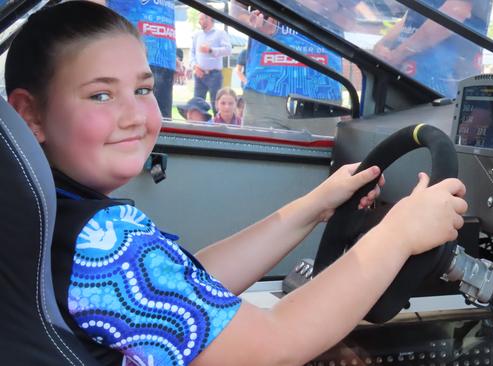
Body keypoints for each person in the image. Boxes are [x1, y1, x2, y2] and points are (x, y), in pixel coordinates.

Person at [5, 2, 467, 365]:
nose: (134, 116)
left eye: (143, 90)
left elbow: (188, 281)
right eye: (101, 95)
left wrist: (314, 206)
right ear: (30, 114)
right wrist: (399, 233)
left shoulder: (58, 211)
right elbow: (274, 345)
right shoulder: (105, 245)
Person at [231, 1, 347, 136]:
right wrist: (250, 21)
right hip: (264, 89)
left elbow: (354, 14)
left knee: (317, 157)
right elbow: (237, 7)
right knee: (261, 154)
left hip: (322, 95)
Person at [373, 0, 491, 98]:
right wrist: (383, 45)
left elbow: (455, 12)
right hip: (409, 75)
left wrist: (398, 54)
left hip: (439, 83)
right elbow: (413, 15)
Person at [107, 0, 178, 118]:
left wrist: (172, 54)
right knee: (130, 118)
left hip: (164, 54)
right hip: (128, 53)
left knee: (160, 122)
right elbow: (93, 10)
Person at [190, 13, 232, 115]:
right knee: (197, 105)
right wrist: (195, 67)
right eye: (199, 19)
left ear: (209, 18)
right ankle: (198, 127)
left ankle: (217, 127)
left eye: (201, 19)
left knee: (216, 105)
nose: (199, 21)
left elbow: (228, 50)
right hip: (199, 75)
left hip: (214, 75)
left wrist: (210, 50)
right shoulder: (197, 35)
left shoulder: (220, 33)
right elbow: (192, 54)